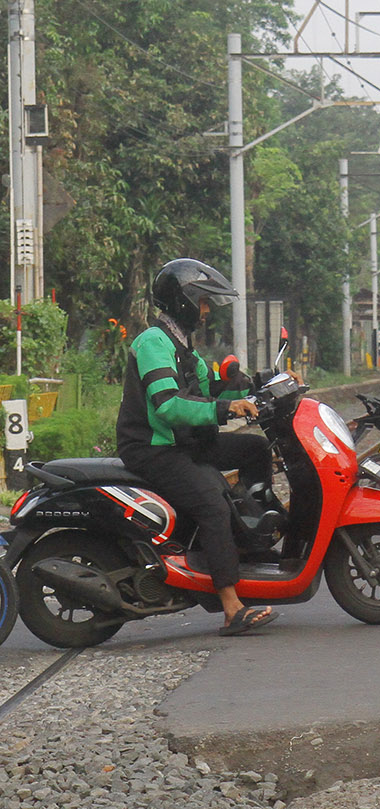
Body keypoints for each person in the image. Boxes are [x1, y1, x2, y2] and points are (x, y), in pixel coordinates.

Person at [118, 259, 286, 636]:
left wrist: (265, 383)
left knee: (254, 451)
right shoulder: (153, 343)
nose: (207, 311)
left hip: (185, 443)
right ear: (185, 300)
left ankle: (250, 546)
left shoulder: (182, 347)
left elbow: (210, 385)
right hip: (155, 448)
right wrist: (228, 408)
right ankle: (230, 606)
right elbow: (169, 405)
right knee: (212, 499)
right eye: (204, 302)